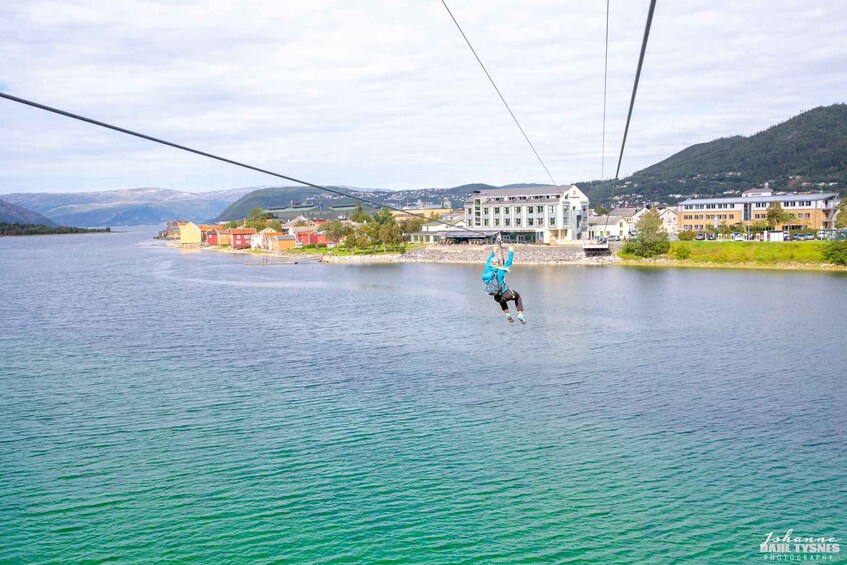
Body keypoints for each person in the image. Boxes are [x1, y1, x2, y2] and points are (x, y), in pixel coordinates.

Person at [481, 245, 525, 324]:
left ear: (491, 264)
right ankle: (520, 315)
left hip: (496, 296)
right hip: (506, 294)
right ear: (497, 263)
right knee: (517, 296)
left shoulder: (486, 272)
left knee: (501, 300)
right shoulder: (501, 271)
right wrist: (511, 251)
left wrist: (493, 252)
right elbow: (509, 262)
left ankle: (508, 315)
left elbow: (487, 261)